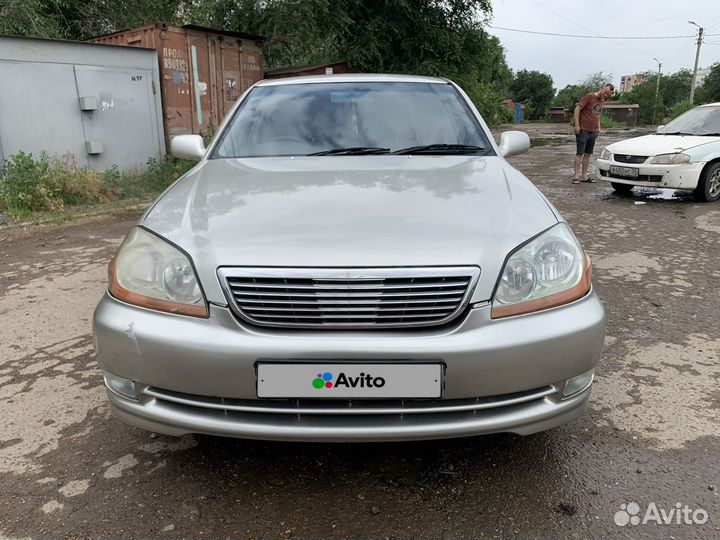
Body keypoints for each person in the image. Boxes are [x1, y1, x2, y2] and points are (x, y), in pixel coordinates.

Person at [573, 83, 614, 184]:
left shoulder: (601, 101)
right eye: (605, 93)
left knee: (588, 154)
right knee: (580, 153)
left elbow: (597, 115)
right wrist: (577, 125)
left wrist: (599, 127)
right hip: (583, 130)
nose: (605, 95)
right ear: (603, 88)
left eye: (608, 95)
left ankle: (584, 176)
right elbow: (577, 108)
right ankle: (576, 176)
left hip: (593, 131)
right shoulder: (590, 96)